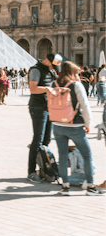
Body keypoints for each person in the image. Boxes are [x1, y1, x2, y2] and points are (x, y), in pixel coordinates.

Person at [52, 61, 104, 196]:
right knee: (87, 155)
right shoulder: (76, 85)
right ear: (73, 73)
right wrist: (88, 124)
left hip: (57, 125)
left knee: (62, 156)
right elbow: (85, 107)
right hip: (75, 125)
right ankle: (91, 187)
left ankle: (65, 187)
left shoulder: (53, 84)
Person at [27, 53, 62, 183]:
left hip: (48, 107)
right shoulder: (36, 70)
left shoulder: (50, 71)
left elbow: (55, 84)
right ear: (47, 60)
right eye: (53, 66)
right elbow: (32, 88)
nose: (54, 69)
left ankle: (42, 168)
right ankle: (31, 171)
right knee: (37, 139)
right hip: (37, 107)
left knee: (46, 140)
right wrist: (47, 89)